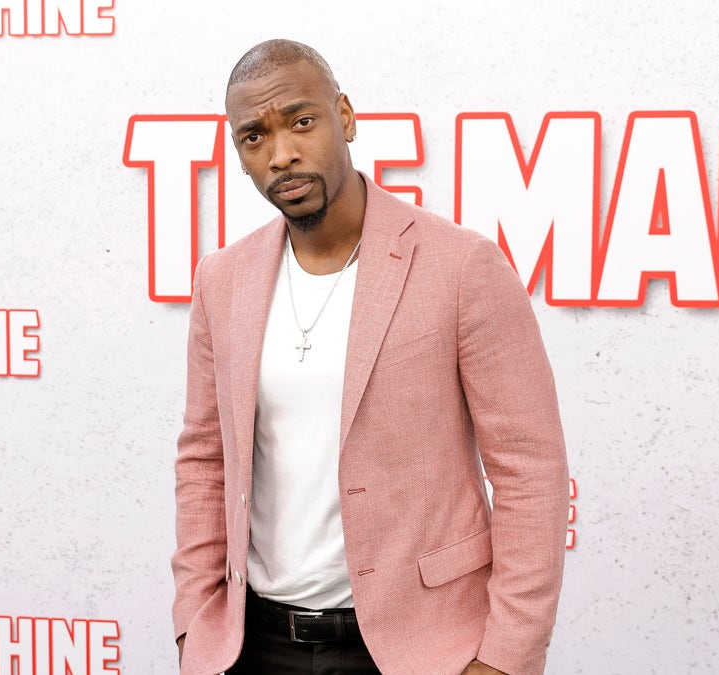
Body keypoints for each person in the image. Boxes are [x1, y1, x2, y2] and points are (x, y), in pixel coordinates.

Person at [172, 39, 569, 675]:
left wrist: (505, 657)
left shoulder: (461, 266)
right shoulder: (223, 280)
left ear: (346, 117)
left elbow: (531, 469)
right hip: (253, 645)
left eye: (302, 121)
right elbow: (203, 458)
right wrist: (194, 622)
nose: (282, 153)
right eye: (254, 136)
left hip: (421, 648)